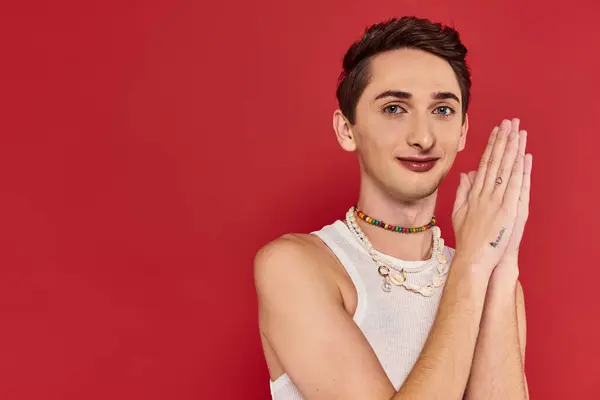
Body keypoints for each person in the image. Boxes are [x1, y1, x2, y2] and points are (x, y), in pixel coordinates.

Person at [253, 16, 532, 400]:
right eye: (395, 108)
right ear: (346, 129)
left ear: (464, 130)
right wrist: (471, 265)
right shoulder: (296, 266)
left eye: (443, 110)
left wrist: (501, 264)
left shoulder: (488, 274)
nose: (422, 137)